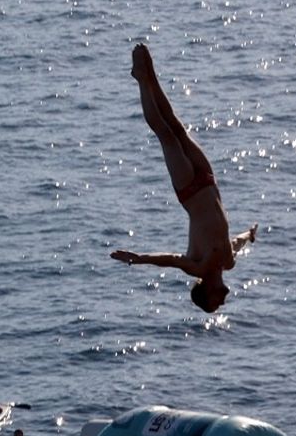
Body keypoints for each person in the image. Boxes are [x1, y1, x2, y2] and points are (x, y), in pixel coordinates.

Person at [110, 44, 258, 312]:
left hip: (189, 189)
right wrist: (249, 234)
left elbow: (170, 260)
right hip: (208, 180)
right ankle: (151, 75)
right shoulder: (228, 261)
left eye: (217, 303)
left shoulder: (198, 267)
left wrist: (139, 258)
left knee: (165, 135)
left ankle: (142, 81)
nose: (224, 300)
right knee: (177, 126)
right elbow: (235, 241)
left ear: (206, 292)